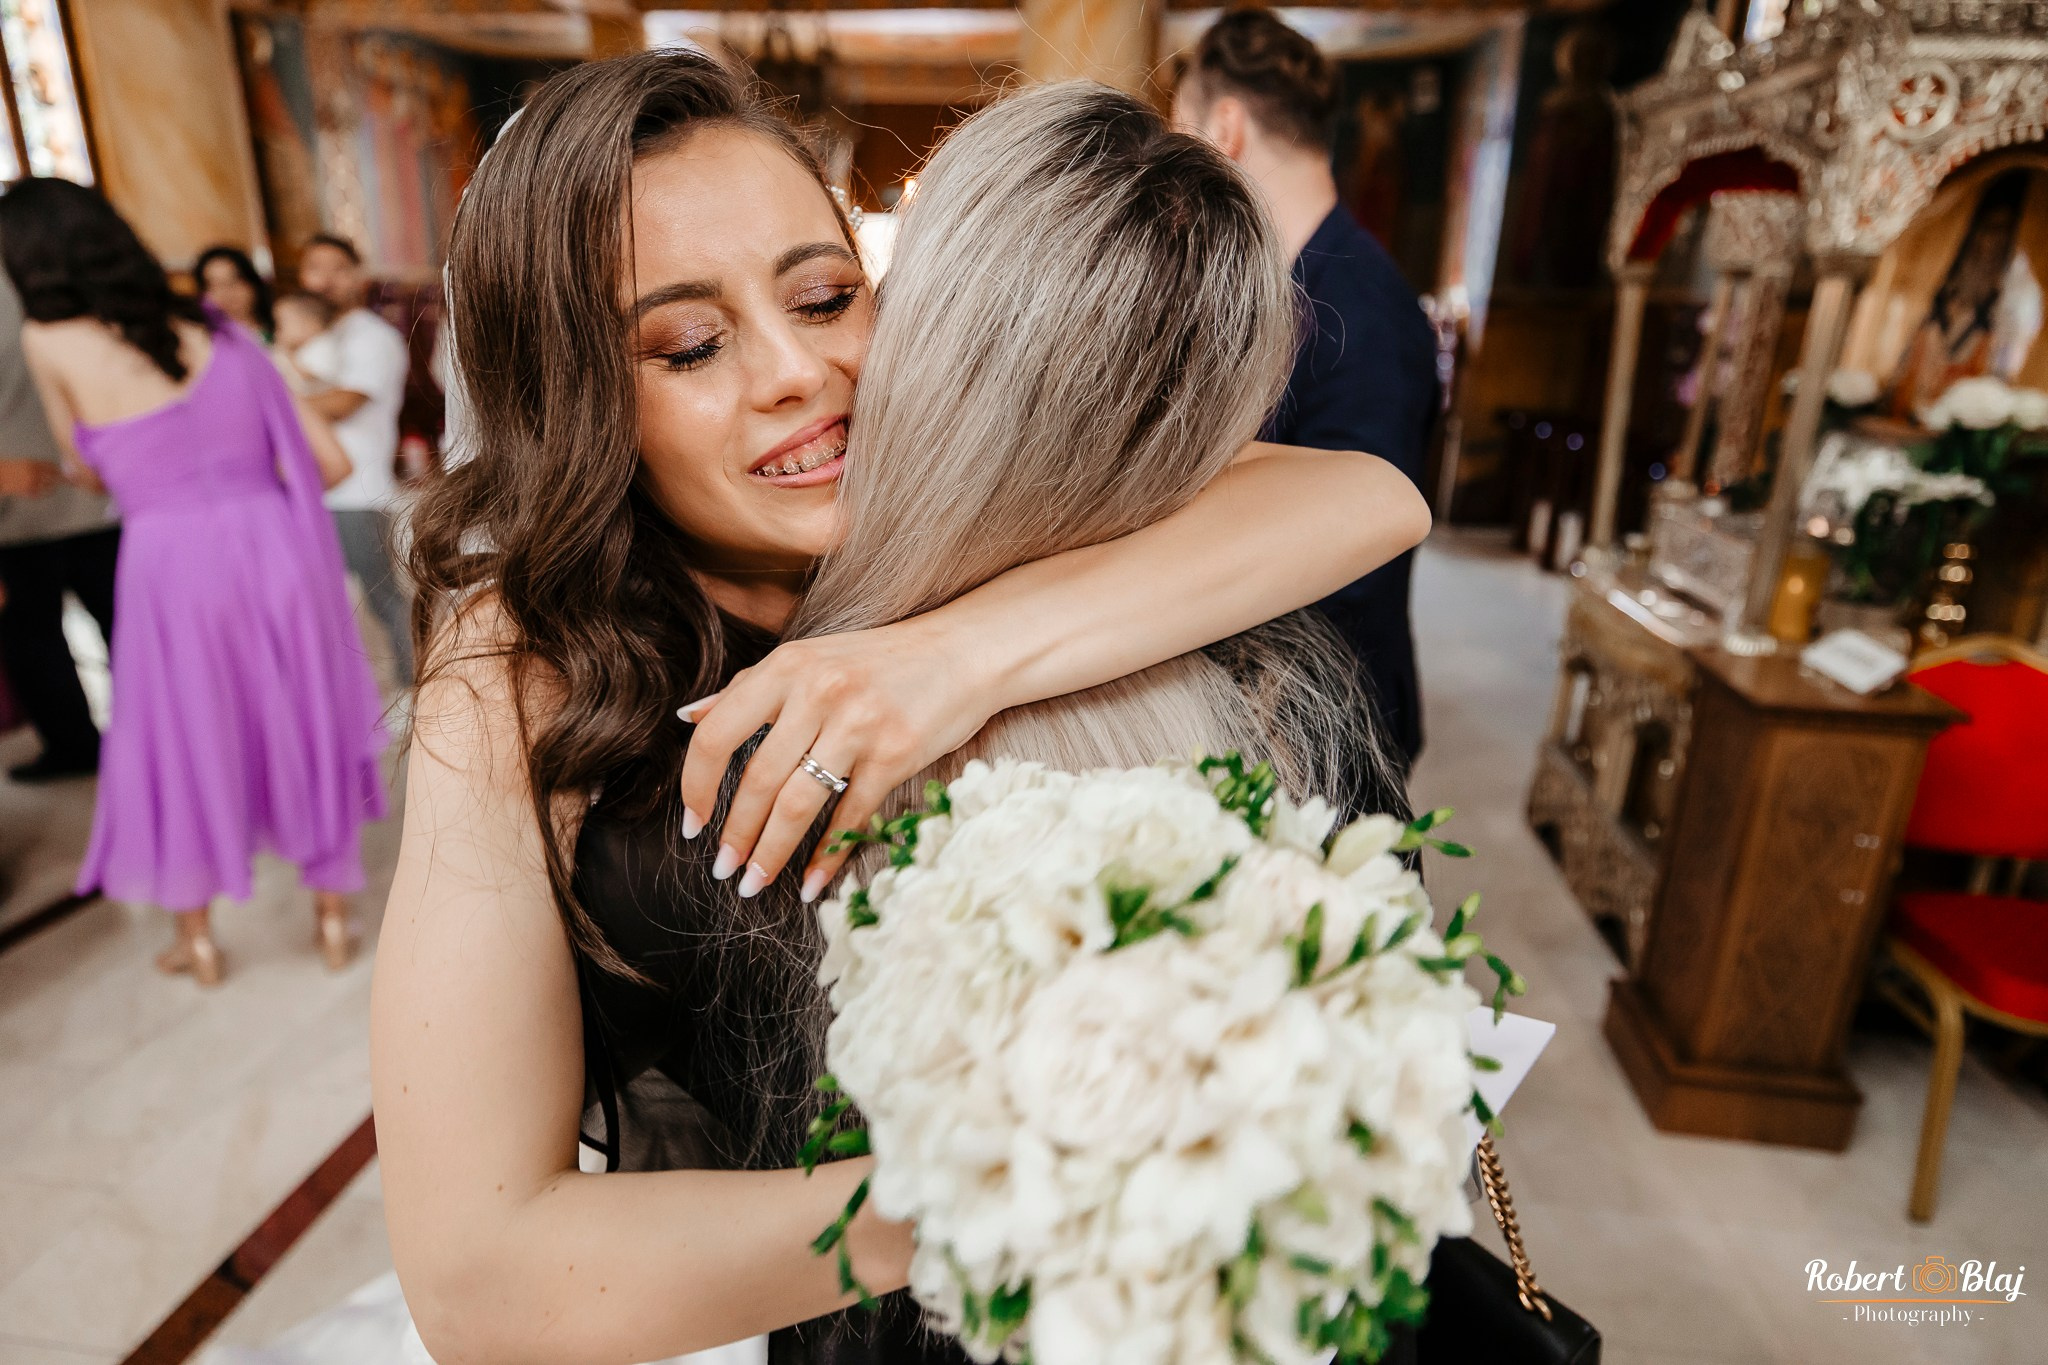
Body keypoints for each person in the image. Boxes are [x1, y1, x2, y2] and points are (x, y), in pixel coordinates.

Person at [372, 51, 1425, 1365]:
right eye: (689, 343)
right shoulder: (526, 669)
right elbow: (480, 1283)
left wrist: (953, 657)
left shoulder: (1008, 509)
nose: (796, 372)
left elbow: (1367, 494)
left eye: (826, 296)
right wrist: (1010, 1189)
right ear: (580, 398)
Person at [0, 178, 385, 986]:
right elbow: (330, 462)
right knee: (296, 714)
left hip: (171, 562)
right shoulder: (223, 332)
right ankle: (332, 918)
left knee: (176, 735)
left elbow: (86, 462)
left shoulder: (48, 337)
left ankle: (199, 939)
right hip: (273, 551)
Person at [1174, 9, 1440, 772]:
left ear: (1224, 127)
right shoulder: (1289, 278)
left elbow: (1358, 540)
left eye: (1181, 132)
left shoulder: (1359, 302)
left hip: (1325, 714)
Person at [0, 269, 118, 783]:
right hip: (38, 499)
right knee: (39, 636)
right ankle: (85, 744)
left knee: (115, 624)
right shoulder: (61, 270)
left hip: (85, 488)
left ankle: (85, 745)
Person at [295, 232, 415, 684]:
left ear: (358, 276)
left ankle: (415, 687)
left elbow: (345, 403)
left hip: (359, 490)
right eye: (314, 269)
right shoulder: (305, 339)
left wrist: (273, 397)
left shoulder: (372, 336)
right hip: (311, 490)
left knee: (382, 597)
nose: (324, 280)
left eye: (338, 269)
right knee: (320, 604)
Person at [196, 245, 277, 341]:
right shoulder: (206, 341)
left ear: (252, 283)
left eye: (234, 280)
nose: (227, 291)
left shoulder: (281, 328)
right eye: (215, 285)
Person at [272, 289, 338, 395]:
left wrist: (288, 355)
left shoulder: (323, 345)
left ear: (311, 325)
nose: (277, 331)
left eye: (281, 324)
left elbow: (313, 377)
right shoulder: (304, 347)